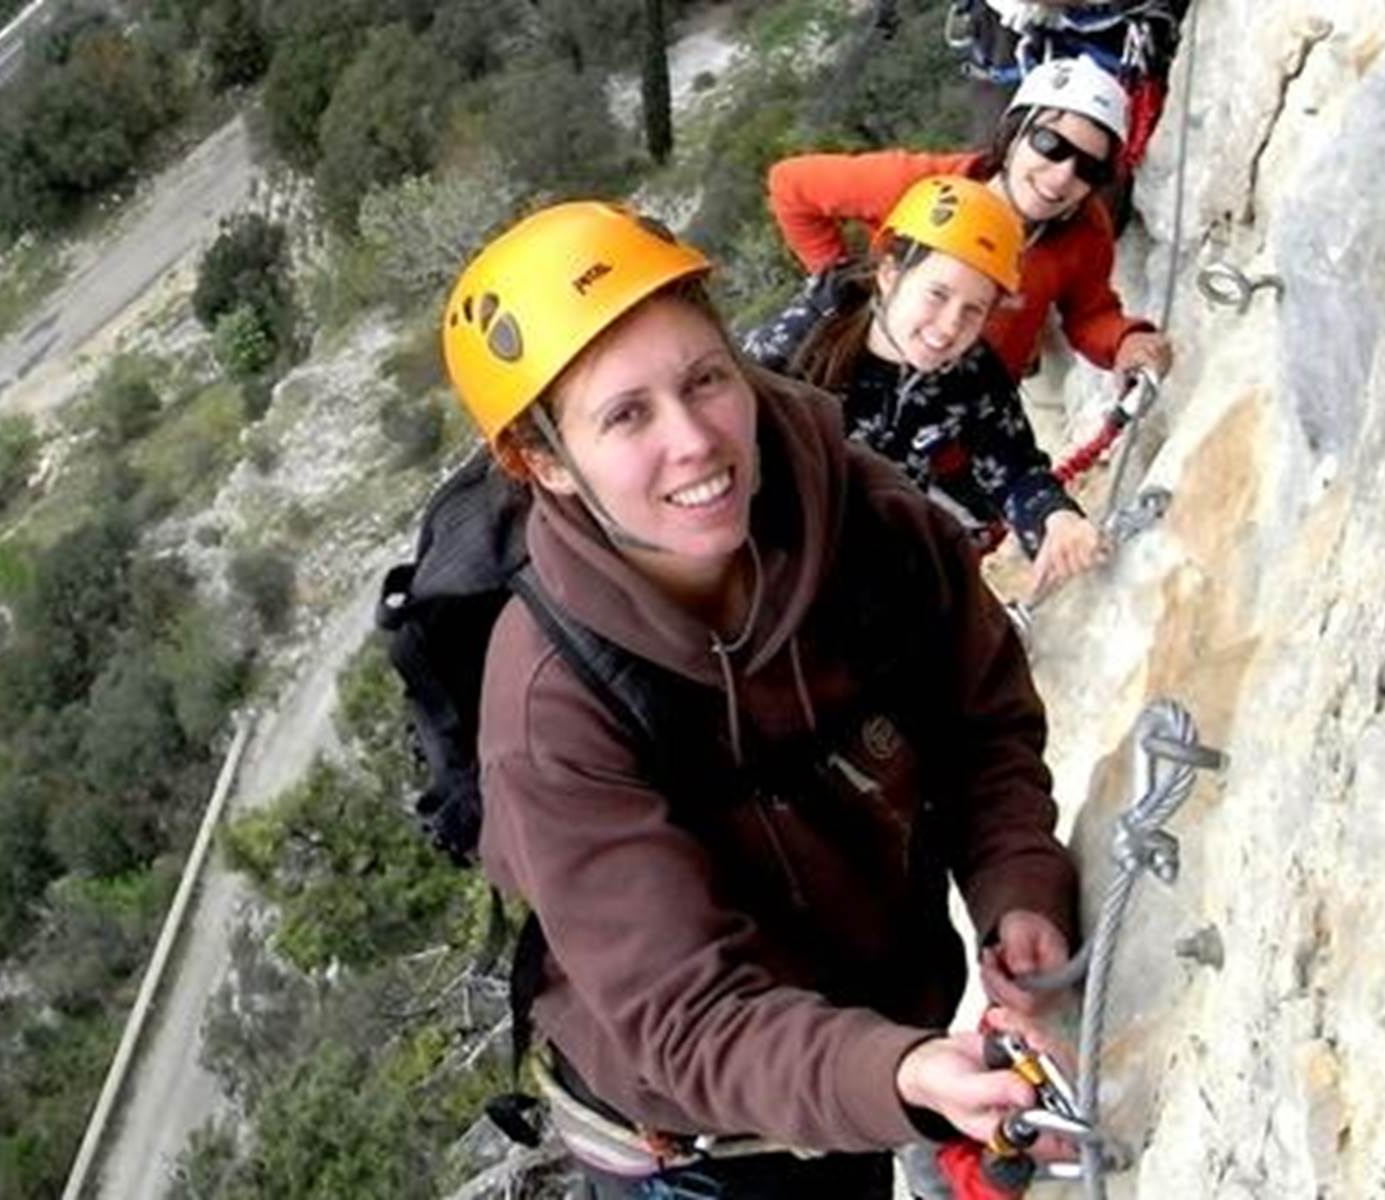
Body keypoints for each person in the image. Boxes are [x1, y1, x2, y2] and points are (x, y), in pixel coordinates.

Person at [442, 200, 1078, 1197]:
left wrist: (1017, 889)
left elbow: (980, 722)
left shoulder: (862, 516)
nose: (695, 440)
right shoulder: (552, 705)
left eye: (705, 378)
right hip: (696, 1149)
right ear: (545, 465)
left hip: (867, 1072)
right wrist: (899, 1071)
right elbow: (683, 1017)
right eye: (625, 415)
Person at [744, 175, 1104, 596]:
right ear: (890, 275)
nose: (950, 326)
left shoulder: (968, 372)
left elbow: (1012, 466)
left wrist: (1053, 517)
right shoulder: (797, 346)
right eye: (937, 294)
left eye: (973, 310)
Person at [766, 55, 1173, 385]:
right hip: (866, 372)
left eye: (1091, 169)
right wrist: (844, 283)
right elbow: (791, 186)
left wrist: (1125, 342)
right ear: (1013, 136)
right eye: (1050, 145)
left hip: (970, 415)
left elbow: (1090, 313)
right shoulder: (920, 186)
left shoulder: (1081, 230)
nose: (1064, 174)